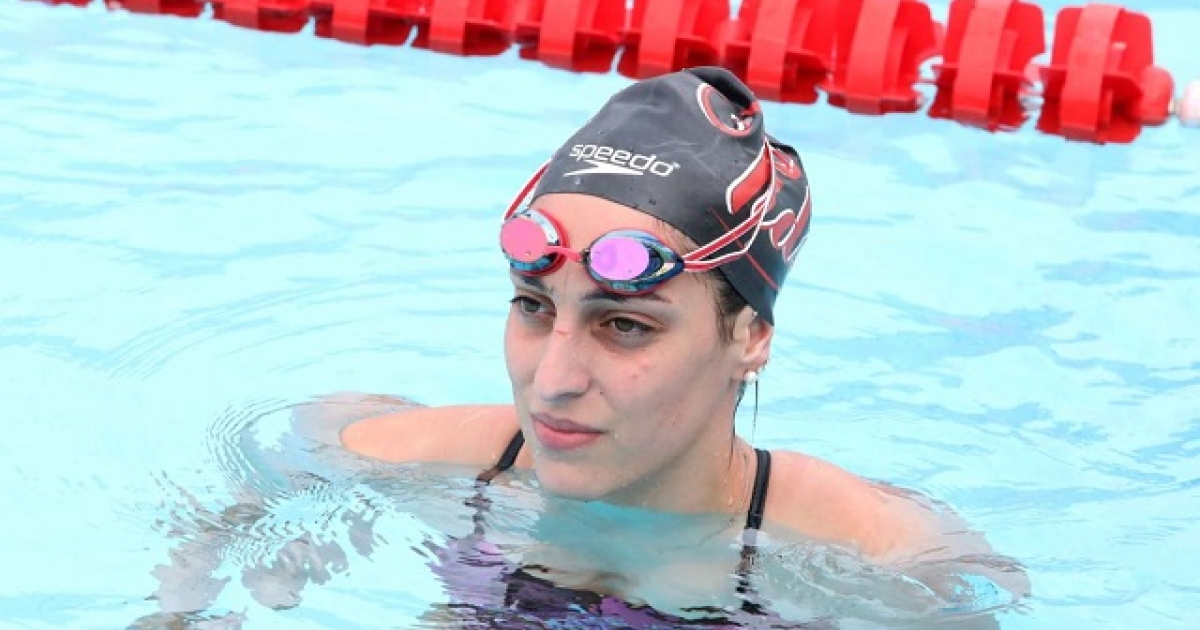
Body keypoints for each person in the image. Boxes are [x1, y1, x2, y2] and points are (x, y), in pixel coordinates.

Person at [138, 66, 1028, 629]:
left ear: (749, 337)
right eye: (534, 307)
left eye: (624, 324)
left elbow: (974, 591)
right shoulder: (440, 462)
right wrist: (205, 578)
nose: (554, 382)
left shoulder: (884, 559)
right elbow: (304, 435)